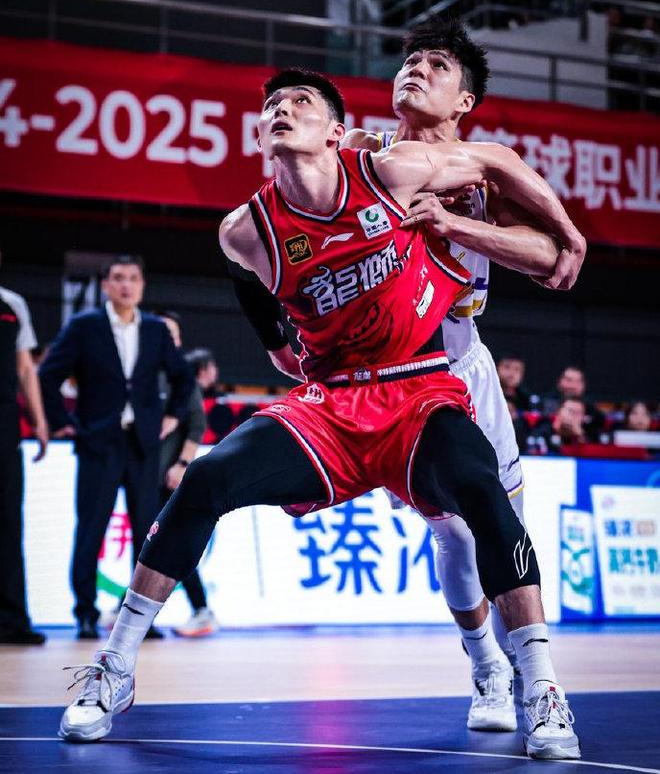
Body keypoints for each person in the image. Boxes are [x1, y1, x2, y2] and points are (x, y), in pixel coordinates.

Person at [59, 69, 580, 760]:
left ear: (336, 132)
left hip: (421, 388)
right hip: (332, 402)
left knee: (483, 499)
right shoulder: (246, 231)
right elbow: (258, 305)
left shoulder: (392, 171)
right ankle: (115, 667)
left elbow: (497, 160)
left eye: (300, 102)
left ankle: (539, 686)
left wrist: (567, 232)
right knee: (207, 477)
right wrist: (285, 349)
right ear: (260, 135)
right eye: (272, 104)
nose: (282, 109)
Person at [337, 17, 584, 735]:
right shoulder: (361, 154)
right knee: (451, 534)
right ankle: (486, 668)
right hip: (389, 375)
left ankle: (535, 681)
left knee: (501, 527)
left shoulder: (483, 172)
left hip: (462, 362)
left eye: (437, 65)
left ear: (465, 100)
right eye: (409, 60)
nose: (416, 69)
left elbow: (549, 259)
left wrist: (457, 226)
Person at [39, 255, 193, 640]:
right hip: (99, 443)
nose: (126, 285)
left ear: (142, 286)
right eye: (119, 278)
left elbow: (183, 378)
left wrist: (172, 417)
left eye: (133, 278)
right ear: (106, 285)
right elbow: (47, 376)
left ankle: (138, 619)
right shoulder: (84, 326)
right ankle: (85, 613)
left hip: (143, 445)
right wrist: (64, 423)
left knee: (147, 534)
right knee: (91, 529)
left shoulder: (155, 329)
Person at [157, 315, 219, 638]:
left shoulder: (180, 375)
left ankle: (201, 609)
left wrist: (181, 464)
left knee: (172, 543)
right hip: (142, 477)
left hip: (167, 477)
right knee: (150, 544)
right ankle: (126, 604)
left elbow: (197, 425)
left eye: (172, 333)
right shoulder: (144, 371)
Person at [0, 256, 49, 645]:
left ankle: (13, 619)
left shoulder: (12, 303)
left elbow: (26, 369)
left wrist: (40, 420)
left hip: (4, 425)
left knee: (8, 522)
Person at [542, 366, 604, 441]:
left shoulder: (592, 411)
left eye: (578, 381)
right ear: (559, 381)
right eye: (569, 380)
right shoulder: (546, 405)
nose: (573, 386)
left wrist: (581, 434)